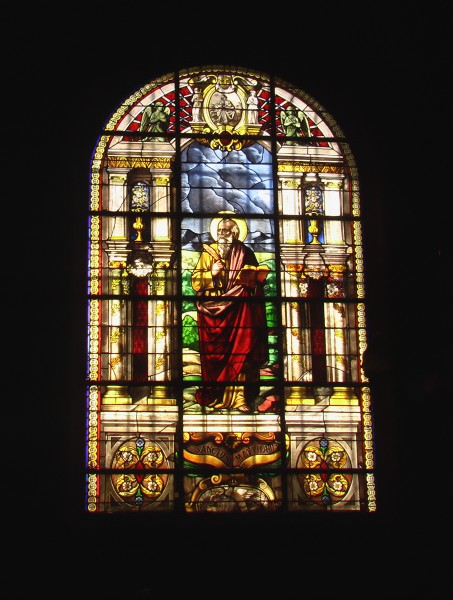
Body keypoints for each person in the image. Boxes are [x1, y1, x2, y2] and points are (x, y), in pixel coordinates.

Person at [191, 216, 269, 411]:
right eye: (219, 231)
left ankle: (240, 398)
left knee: (240, 351)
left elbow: (254, 280)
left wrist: (255, 282)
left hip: (239, 310)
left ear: (235, 234)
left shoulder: (246, 253)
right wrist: (212, 273)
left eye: (226, 231)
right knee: (214, 357)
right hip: (211, 311)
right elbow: (195, 282)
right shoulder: (208, 253)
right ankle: (215, 395)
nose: (222, 235)